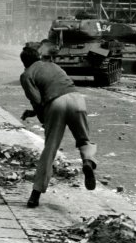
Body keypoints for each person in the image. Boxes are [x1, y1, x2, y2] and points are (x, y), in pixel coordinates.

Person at [18, 44, 97, 208]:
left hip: (56, 104)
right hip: (77, 99)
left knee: (50, 149)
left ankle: (35, 195)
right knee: (84, 140)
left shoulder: (26, 75)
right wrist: (35, 112)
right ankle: (88, 162)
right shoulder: (53, 65)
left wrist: (42, 119)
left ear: (24, 62)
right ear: (38, 57)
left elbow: (38, 100)